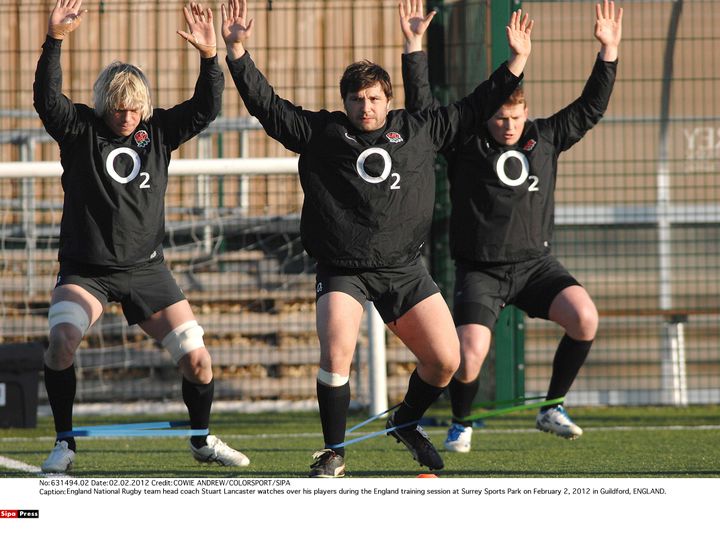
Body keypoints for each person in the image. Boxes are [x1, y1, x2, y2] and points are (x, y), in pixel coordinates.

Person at [220, 0, 531, 477]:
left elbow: (476, 106)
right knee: (336, 349)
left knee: (447, 360)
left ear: (388, 100)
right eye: (356, 99)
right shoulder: (323, 132)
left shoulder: (420, 130)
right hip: (343, 268)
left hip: (404, 270)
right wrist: (237, 51)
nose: (365, 107)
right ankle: (334, 451)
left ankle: (404, 422)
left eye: (373, 99)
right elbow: (268, 106)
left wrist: (515, 64)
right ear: (345, 102)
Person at [34, 0, 249, 473]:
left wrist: (210, 57)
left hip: (147, 271)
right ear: (104, 104)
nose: (127, 116)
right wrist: (55, 40)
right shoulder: (79, 130)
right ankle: (65, 443)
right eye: (118, 108)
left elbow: (206, 108)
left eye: (134, 108)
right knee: (62, 342)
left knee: (198, 361)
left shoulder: (158, 133)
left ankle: (201, 439)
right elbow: (47, 100)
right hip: (87, 272)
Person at [403, 0, 623, 452]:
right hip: (482, 271)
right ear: (488, 116)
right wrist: (414, 46)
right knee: (468, 358)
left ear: (526, 114)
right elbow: (424, 109)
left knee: (585, 318)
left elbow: (591, 107)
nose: (508, 125)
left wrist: (608, 52)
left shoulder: (547, 137)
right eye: (500, 117)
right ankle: (461, 422)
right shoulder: (465, 143)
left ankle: (552, 406)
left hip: (536, 265)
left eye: (515, 117)